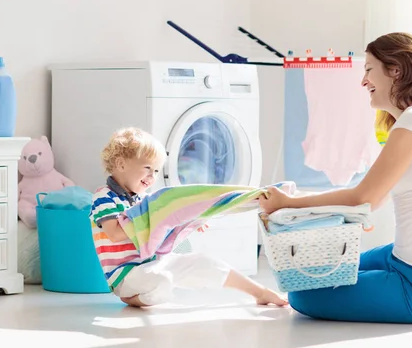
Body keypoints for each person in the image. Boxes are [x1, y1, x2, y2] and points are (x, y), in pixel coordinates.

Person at [259, 32, 412, 324]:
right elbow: (373, 200)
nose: (363, 81)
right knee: (318, 271)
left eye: (369, 69)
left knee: (302, 294)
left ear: (395, 70)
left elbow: (363, 197)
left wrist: (289, 204)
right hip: (409, 263)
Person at [90, 127, 287, 307]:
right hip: (126, 275)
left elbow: (160, 229)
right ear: (121, 164)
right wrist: (157, 216)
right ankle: (130, 298)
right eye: (148, 168)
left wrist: (186, 219)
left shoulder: (144, 200)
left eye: (157, 171)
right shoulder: (104, 196)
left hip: (153, 264)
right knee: (162, 282)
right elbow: (115, 234)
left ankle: (260, 292)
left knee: (203, 262)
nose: (152, 176)